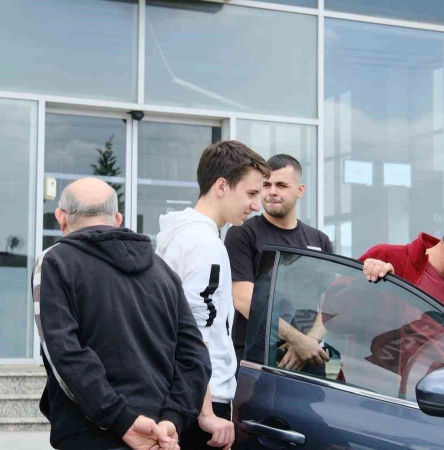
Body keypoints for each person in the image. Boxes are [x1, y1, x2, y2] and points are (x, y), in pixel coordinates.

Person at [32, 177, 211, 450]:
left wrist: (122, 418)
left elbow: (65, 354)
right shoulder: (163, 271)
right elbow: (195, 356)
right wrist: (173, 418)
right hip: (161, 435)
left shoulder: (54, 262)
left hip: (91, 436)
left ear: (61, 217)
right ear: (117, 218)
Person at [156, 140, 270, 450]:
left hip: (181, 392)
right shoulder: (205, 245)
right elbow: (197, 333)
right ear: (221, 186)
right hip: (201, 400)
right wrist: (206, 413)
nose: (256, 205)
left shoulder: (178, 235)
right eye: (251, 193)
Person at [225, 154, 333, 373]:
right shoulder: (243, 233)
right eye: (266, 185)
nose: (272, 191)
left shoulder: (319, 240)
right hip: (257, 362)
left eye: (281, 185)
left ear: (300, 190)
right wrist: (298, 340)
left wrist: (309, 342)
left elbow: (331, 304)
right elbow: (244, 300)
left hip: (309, 363)